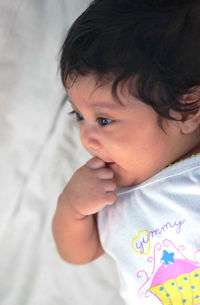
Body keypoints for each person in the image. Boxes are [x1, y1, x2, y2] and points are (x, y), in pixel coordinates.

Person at [52, 1, 200, 304]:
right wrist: (72, 208)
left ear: (186, 111)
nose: (86, 137)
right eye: (79, 116)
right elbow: (77, 254)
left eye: (103, 120)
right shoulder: (108, 192)